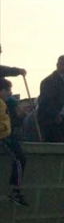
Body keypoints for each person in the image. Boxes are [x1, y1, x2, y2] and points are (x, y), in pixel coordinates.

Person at [36, 56, 64, 143]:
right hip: (54, 122)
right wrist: (55, 115)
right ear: (57, 65)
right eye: (63, 64)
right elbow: (45, 101)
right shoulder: (50, 81)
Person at [1, 78, 28, 206]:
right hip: (4, 136)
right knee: (18, 159)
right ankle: (15, 190)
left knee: (20, 158)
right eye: (7, 90)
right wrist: (6, 129)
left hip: (7, 134)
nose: (10, 93)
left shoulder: (5, 104)